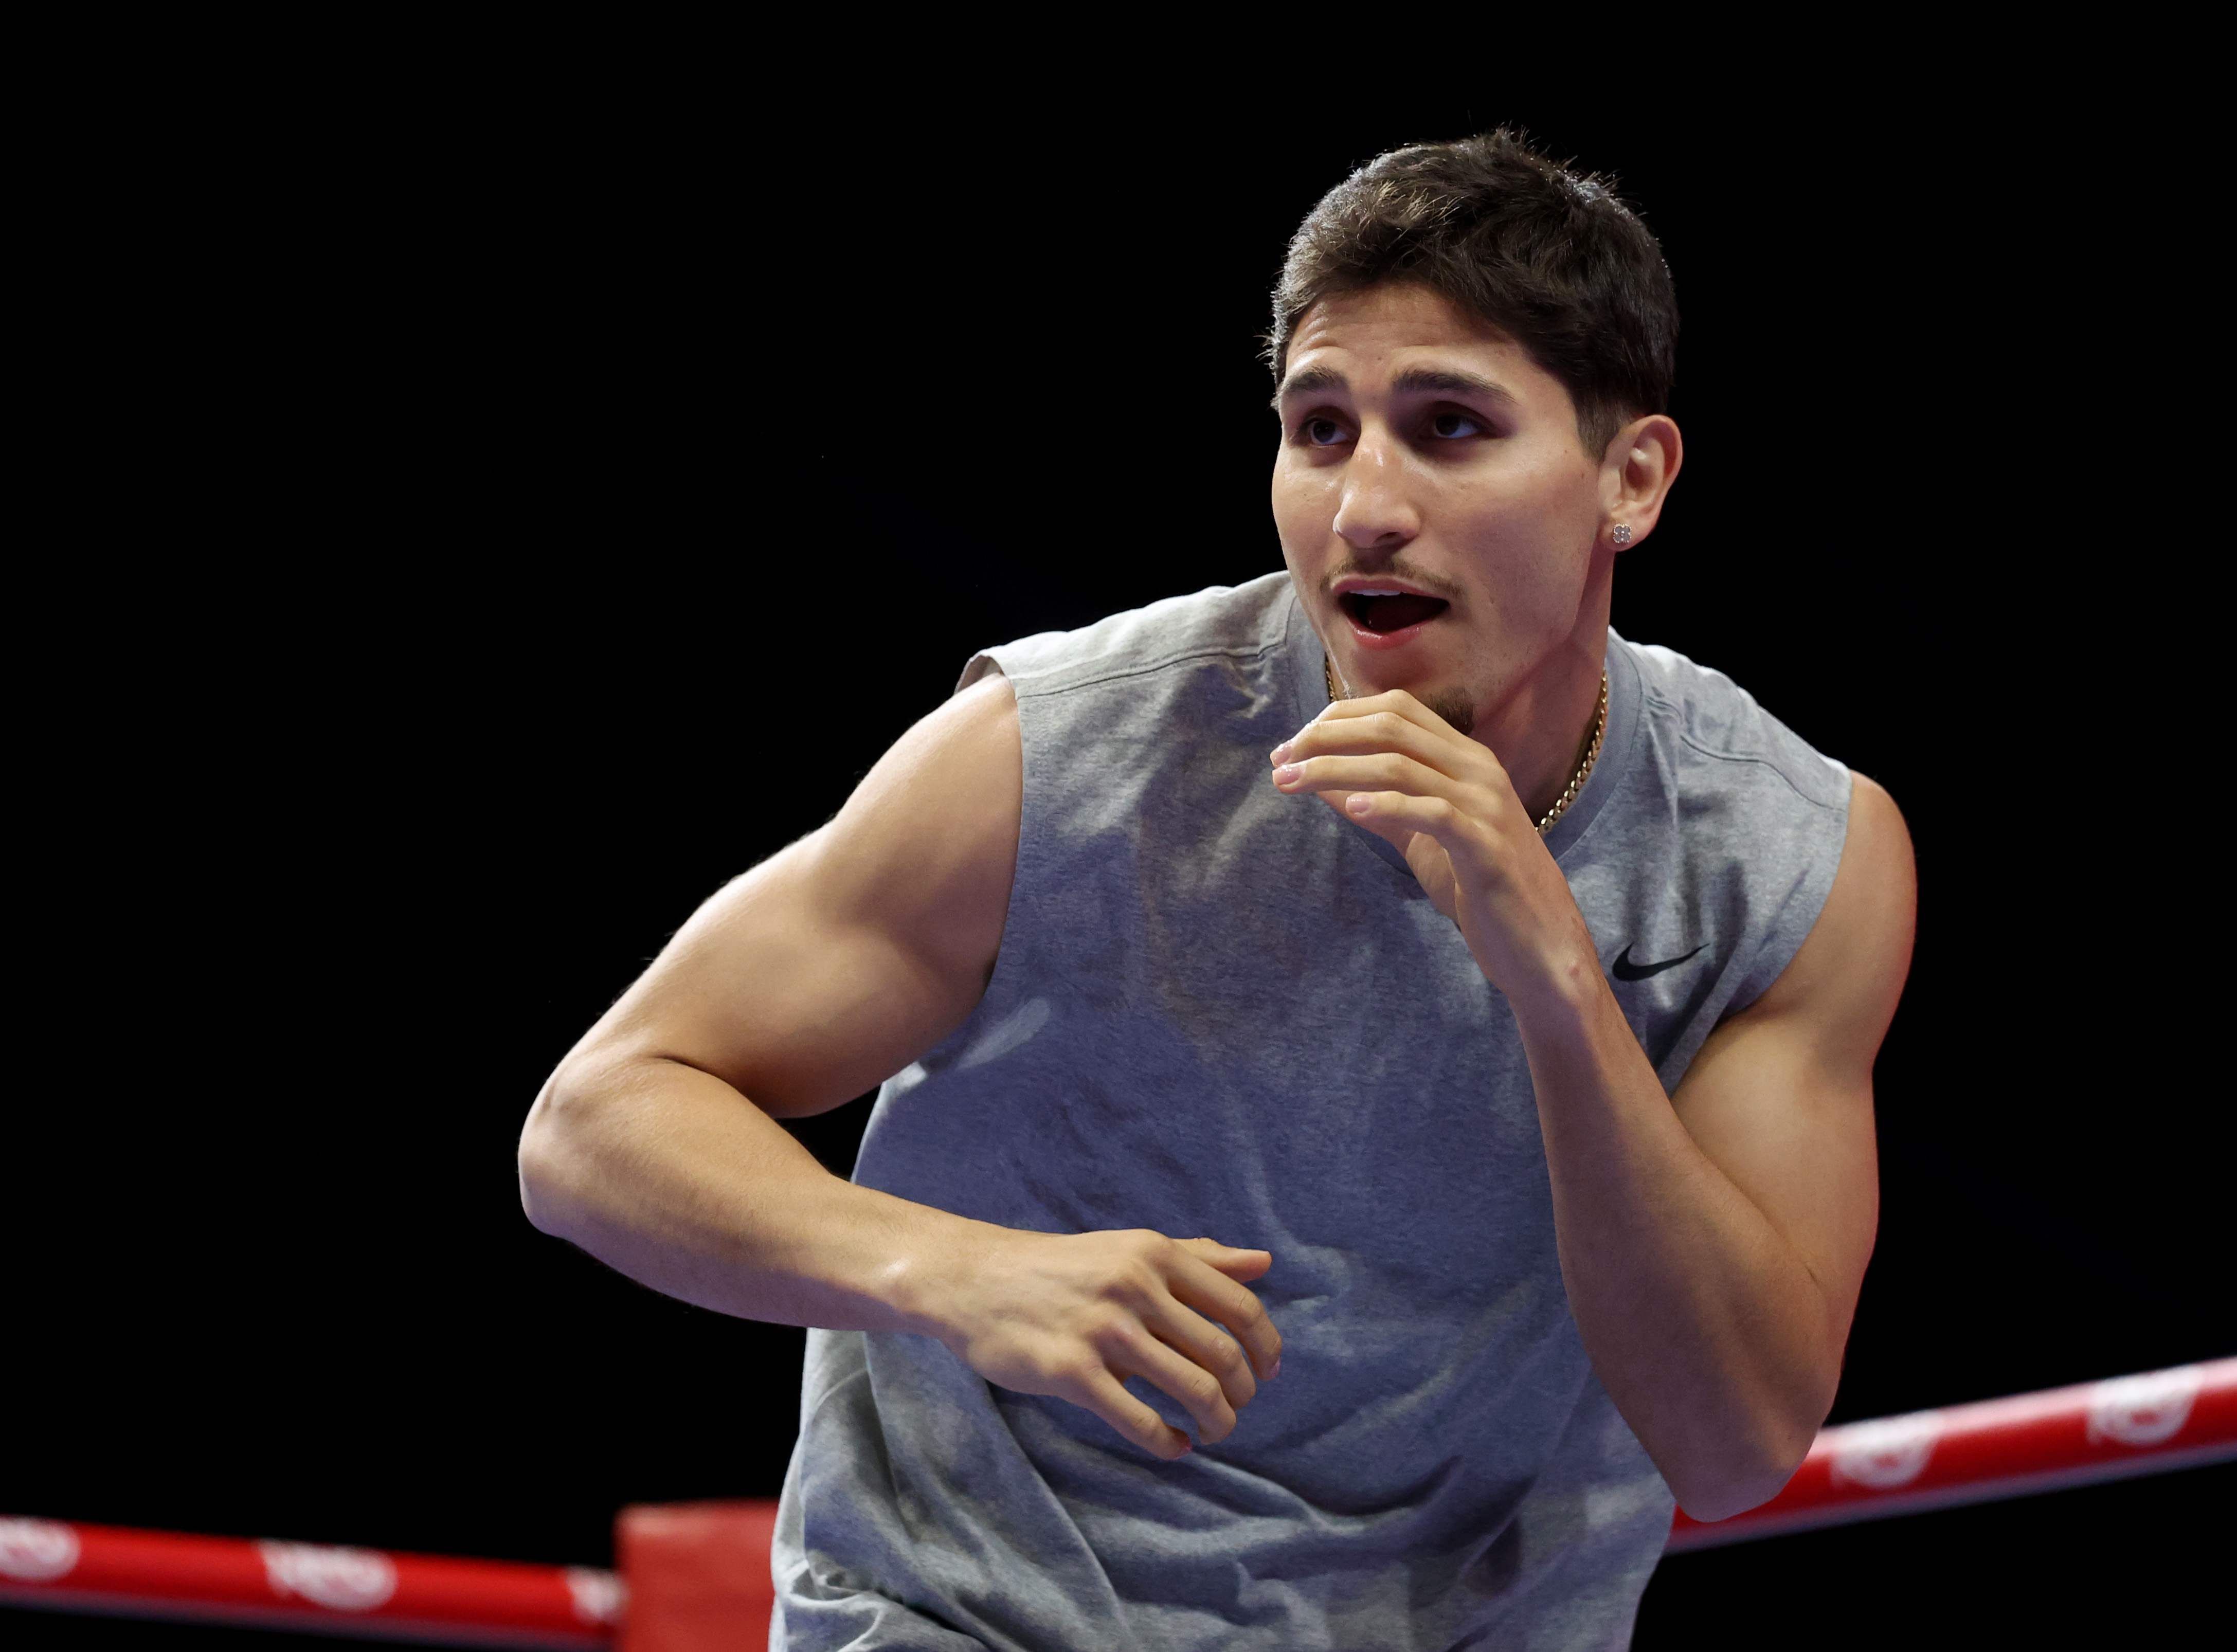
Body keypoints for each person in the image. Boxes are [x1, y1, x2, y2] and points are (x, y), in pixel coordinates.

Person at [518, 130, 1916, 1651]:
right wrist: (952, 1269)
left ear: (1627, 480)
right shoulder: (1058, 753)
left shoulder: (1790, 854)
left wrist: (1556, 980)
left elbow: (1734, 1444)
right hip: (976, 1621)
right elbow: (595, 1122)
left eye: (1448, 427)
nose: (1363, 507)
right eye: (1320, 430)